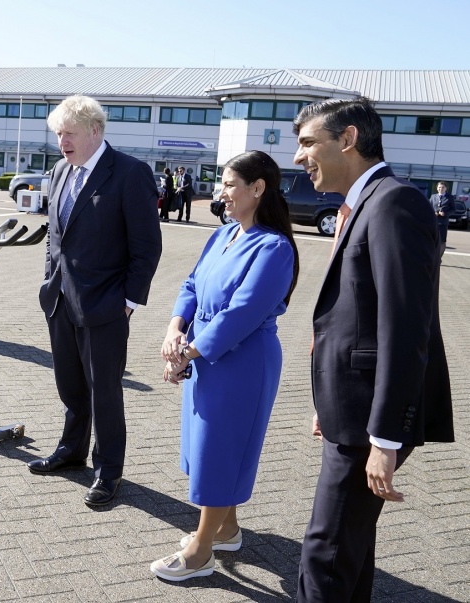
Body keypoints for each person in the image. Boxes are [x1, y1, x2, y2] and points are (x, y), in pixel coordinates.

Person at [292, 97, 453, 603]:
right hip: (350, 408)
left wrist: (385, 437)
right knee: (349, 547)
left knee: (326, 550)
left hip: (369, 418)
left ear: (348, 140)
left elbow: (407, 330)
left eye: (307, 143)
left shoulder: (393, 203)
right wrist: (327, 402)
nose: (298, 158)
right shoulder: (365, 202)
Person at [149, 150, 299, 582]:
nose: (221, 193)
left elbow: (242, 313)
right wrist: (174, 329)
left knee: (220, 452)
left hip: (243, 366)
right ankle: (226, 528)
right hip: (205, 357)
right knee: (205, 447)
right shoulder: (225, 234)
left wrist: (187, 352)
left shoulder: (274, 247)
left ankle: (200, 552)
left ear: (258, 188)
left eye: (229, 184)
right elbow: (192, 283)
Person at [26, 95, 162, 507]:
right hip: (60, 298)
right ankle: (72, 452)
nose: (61, 142)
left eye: (68, 133)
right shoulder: (59, 171)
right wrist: (48, 281)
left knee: (104, 390)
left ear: (95, 131)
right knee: (69, 385)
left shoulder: (129, 173)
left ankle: (108, 471)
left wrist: (130, 301)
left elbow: (147, 245)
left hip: (105, 304)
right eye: (57, 135)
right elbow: (55, 235)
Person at [429, 181, 454, 258]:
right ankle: (432, 257)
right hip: (433, 222)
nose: (441, 189)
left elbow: (453, 209)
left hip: (443, 223)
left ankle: (439, 258)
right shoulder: (433, 196)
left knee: (442, 241)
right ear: (437, 188)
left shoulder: (450, 197)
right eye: (439, 187)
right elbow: (429, 207)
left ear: (446, 188)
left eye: (443, 187)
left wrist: (445, 214)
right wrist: (433, 213)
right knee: (432, 240)